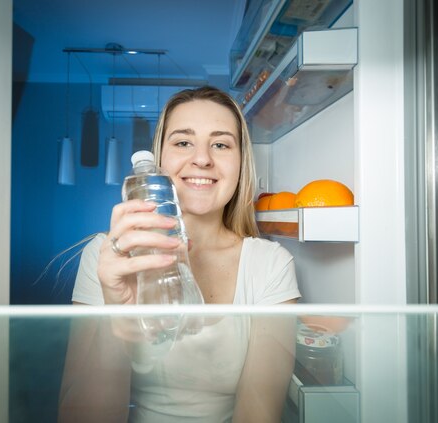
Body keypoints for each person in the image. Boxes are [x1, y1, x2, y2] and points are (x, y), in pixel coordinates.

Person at [59, 86, 301, 422]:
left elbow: (258, 416)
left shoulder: (270, 264)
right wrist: (117, 317)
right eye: (183, 142)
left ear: (241, 162)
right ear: (159, 161)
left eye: (220, 144)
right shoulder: (107, 256)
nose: (202, 159)